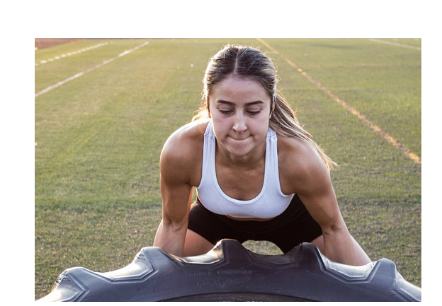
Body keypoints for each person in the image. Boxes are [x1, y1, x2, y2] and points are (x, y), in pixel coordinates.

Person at [153, 44, 371, 266]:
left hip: (293, 219)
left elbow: (333, 229)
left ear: (271, 107)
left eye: (253, 111)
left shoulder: (298, 158)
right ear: (209, 106)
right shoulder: (182, 150)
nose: (239, 125)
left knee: (370, 288)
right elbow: (173, 225)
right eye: (226, 110)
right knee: (169, 274)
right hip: (214, 218)